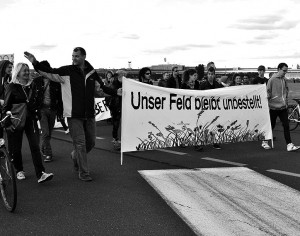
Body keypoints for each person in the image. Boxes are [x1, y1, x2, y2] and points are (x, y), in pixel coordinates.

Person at [24, 47, 121, 182]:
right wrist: (35, 62)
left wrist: (116, 92)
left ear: (84, 57)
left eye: (76, 56)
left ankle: (75, 156)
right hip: (73, 115)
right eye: (72, 56)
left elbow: (100, 89)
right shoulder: (66, 71)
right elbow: (49, 72)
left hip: (89, 114)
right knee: (80, 143)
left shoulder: (92, 73)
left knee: (91, 142)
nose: (73, 58)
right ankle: (84, 172)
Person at [2, 63, 54, 183]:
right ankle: (19, 170)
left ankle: (41, 173)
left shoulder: (33, 85)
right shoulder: (12, 86)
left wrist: (37, 113)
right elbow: (6, 107)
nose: (27, 73)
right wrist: (8, 123)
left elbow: (36, 102)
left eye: (27, 70)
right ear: (18, 72)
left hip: (30, 120)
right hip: (16, 120)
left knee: (35, 146)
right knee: (16, 148)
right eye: (24, 71)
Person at [30, 60, 62, 162]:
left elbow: (60, 97)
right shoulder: (36, 81)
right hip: (41, 109)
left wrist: (60, 112)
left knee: (49, 133)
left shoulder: (55, 82)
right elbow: (32, 97)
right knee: (46, 132)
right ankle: (48, 153)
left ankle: (43, 148)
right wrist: (33, 110)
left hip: (52, 109)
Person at [266, 62, 299, 152]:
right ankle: (264, 141)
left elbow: (286, 92)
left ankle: (289, 144)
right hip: (273, 107)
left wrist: (286, 102)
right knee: (271, 126)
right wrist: (269, 100)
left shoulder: (284, 79)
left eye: (286, 71)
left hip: (283, 107)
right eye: (284, 70)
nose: (285, 72)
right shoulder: (272, 80)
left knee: (286, 125)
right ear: (278, 69)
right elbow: (268, 92)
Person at [199, 66, 223, 150]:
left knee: (215, 125)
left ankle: (215, 142)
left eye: (212, 74)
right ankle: (202, 141)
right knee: (204, 125)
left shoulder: (218, 84)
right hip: (205, 108)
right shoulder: (203, 84)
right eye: (209, 74)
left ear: (214, 75)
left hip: (215, 108)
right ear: (207, 74)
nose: (210, 76)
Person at [252, 65, 270, 149]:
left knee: (265, 118)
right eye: (259, 70)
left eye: (262, 70)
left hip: (265, 101)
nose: (260, 72)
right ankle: (256, 133)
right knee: (257, 118)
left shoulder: (267, 80)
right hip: (257, 101)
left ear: (264, 71)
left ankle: (264, 134)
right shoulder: (255, 80)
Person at [108, 70, 124, 150]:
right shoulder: (114, 84)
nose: (124, 77)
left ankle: (119, 139)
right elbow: (111, 94)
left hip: (122, 105)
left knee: (120, 123)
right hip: (116, 106)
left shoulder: (123, 83)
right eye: (123, 76)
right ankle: (115, 140)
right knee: (116, 123)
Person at [0, 60, 13, 139]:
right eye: (9, 67)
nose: (10, 69)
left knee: (7, 127)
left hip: (6, 107)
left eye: (11, 67)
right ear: (3, 67)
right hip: (1, 105)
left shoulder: (10, 78)